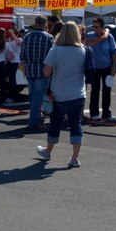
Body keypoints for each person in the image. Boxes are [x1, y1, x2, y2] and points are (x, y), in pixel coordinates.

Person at [36, 21, 87, 168]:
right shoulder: (83, 50)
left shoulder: (56, 50)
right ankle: (74, 158)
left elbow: (46, 72)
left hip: (59, 94)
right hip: (78, 93)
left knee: (55, 123)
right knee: (75, 124)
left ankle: (48, 151)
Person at [20, 15, 55, 131]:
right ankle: (34, 121)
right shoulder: (48, 37)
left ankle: (35, 118)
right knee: (38, 96)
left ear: (35, 23)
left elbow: (22, 55)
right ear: (45, 25)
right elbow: (52, 56)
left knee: (33, 96)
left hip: (30, 69)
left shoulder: (27, 36)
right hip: (42, 70)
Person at [84, 17, 116, 121]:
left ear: (102, 27)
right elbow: (89, 43)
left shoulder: (110, 37)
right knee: (94, 90)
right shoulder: (90, 36)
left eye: (97, 27)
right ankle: (94, 113)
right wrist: (103, 37)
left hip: (106, 67)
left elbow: (114, 52)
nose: (94, 29)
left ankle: (106, 113)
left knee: (107, 90)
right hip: (94, 67)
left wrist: (114, 67)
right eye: (93, 26)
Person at [5, 25, 23, 102]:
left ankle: (14, 95)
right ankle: (9, 93)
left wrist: (13, 33)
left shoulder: (19, 39)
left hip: (15, 61)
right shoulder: (9, 40)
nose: (9, 34)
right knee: (8, 78)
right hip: (9, 61)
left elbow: (19, 42)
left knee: (12, 79)